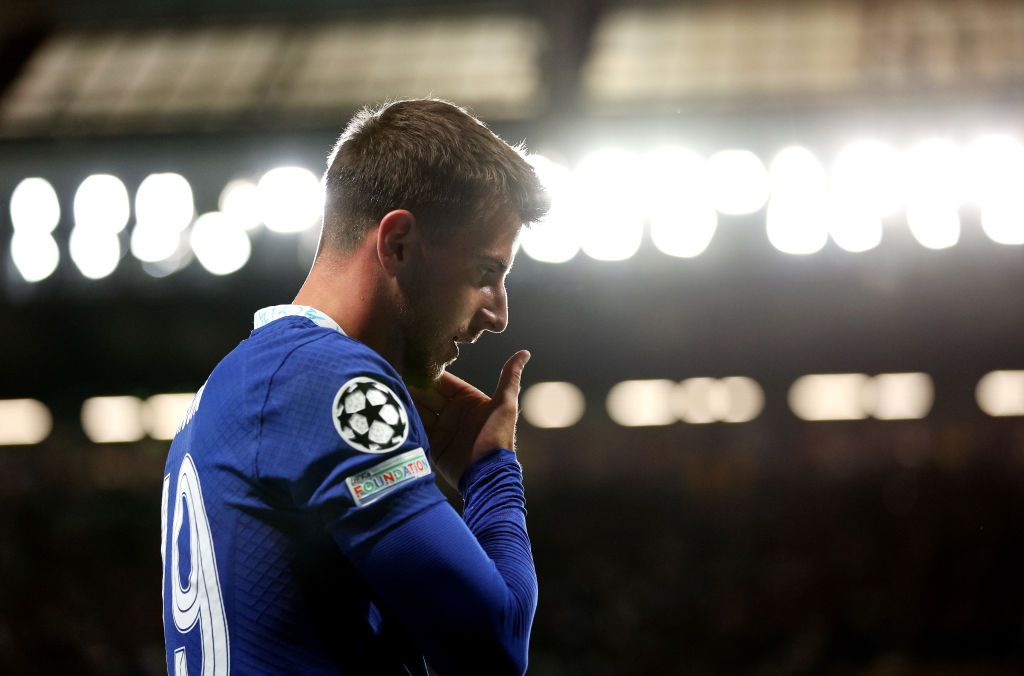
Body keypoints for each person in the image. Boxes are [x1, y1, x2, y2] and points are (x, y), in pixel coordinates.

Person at [160, 98, 549, 675]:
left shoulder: (232, 385)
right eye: (485, 273)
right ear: (397, 244)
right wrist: (490, 471)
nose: (499, 314)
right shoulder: (331, 381)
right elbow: (494, 644)